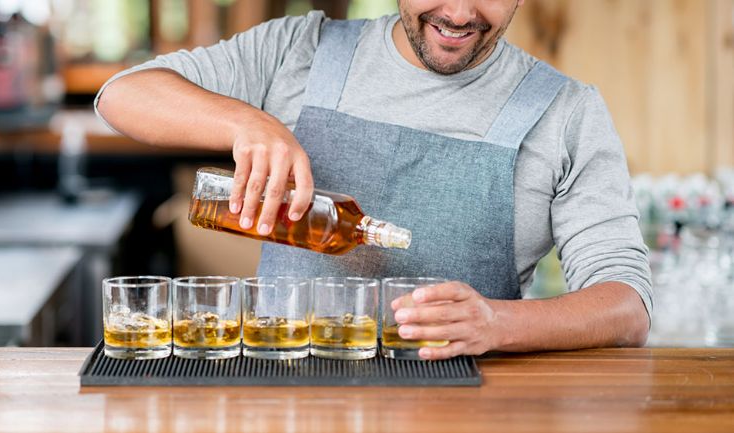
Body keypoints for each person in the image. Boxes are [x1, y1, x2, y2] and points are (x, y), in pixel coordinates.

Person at [95, 0, 653, 359]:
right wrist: (246, 121)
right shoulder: (299, 50)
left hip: (469, 413)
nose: (460, 13)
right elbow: (121, 95)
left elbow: (626, 307)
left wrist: (498, 322)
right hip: (284, 401)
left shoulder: (566, 112)